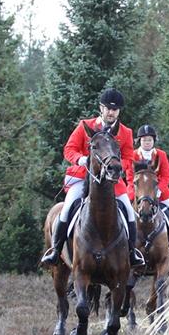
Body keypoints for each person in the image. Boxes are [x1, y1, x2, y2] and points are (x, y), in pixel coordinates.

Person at [41, 88, 145, 268]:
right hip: (84, 177)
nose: (111, 112)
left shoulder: (125, 132)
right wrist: (81, 159)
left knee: (128, 211)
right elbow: (69, 149)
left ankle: (132, 253)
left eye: (115, 109)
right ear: (101, 108)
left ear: (119, 111)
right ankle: (56, 251)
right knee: (66, 209)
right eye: (108, 108)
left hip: (112, 181)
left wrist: (117, 166)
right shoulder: (85, 126)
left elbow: (128, 157)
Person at [129, 124, 169, 249]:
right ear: (139, 141)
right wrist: (135, 192)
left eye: (149, 140)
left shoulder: (161, 154)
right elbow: (129, 176)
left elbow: (166, 175)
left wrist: (159, 189)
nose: (147, 143)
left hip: (158, 191)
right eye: (144, 140)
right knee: (126, 211)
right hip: (138, 191)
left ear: (154, 140)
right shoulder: (133, 155)